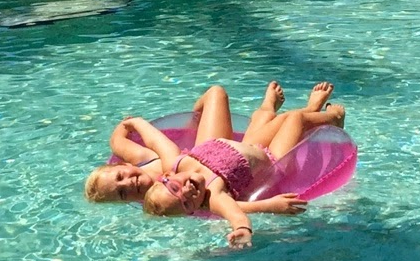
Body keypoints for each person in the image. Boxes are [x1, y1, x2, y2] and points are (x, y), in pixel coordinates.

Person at [133, 82, 344, 249]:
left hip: (249, 146)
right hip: (273, 160)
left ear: (166, 177)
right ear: (194, 210)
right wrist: (243, 229)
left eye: (175, 188)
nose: (188, 192)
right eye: (187, 203)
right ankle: (333, 118)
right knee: (295, 119)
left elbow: (154, 141)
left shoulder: (176, 162)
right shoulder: (213, 194)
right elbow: (234, 213)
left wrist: (136, 123)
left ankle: (303, 109)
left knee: (268, 119)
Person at [84, 82, 313, 214]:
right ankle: (298, 110)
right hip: (232, 177)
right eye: (122, 193)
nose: (128, 183)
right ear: (124, 202)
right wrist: (268, 206)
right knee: (279, 130)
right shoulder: (167, 203)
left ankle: (270, 109)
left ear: (122, 165)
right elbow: (219, 206)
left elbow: (117, 142)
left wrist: (126, 124)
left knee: (216, 92)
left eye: (120, 176)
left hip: (209, 152)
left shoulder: (144, 160)